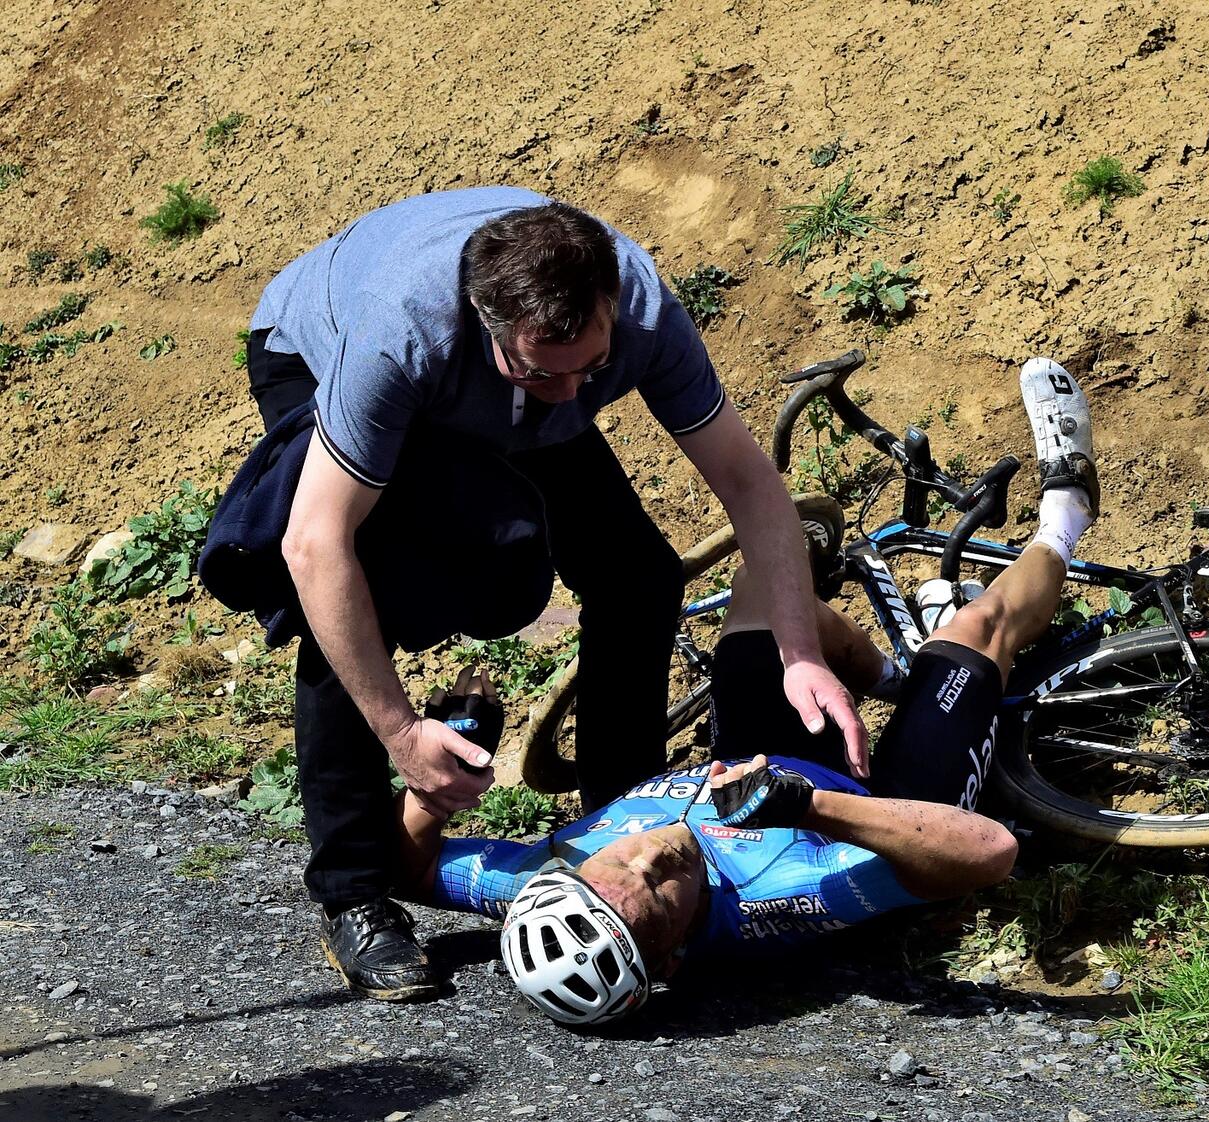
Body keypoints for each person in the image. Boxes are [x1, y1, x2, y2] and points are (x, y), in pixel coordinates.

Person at [205, 189, 867, 1003]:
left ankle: (616, 824)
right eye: (544, 371)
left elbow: (750, 485)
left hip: (492, 367)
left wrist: (799, 653)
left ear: (607, 310)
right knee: (363, 593)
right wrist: (404, 736)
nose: (571, 394)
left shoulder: (639, 315)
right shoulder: (401, 337)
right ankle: (352, 893)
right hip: (314, 348)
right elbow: (317, 548)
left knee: (639, 575)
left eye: (592, 371)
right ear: (491, 323)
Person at [389, 359, 1100, 1024]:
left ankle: (890, 680)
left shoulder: (547, 889)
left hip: (763, 762)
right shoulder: (777, 897)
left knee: (757, 585)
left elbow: (406, 869)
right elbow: (990, 852)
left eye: (620, 865)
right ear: (669, 960)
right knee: (980, 629)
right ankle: (1068, 509)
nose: (653, 857)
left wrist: (432, 787)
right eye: (663, 898)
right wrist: (812, 807)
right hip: (878, 812)